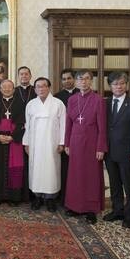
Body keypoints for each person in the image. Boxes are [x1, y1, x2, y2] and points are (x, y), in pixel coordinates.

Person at [64, 70, 107, 224]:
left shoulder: (98, 100)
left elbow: (102, 127)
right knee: (75, 175)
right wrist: (67, 143)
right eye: (80, 79)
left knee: (91, 176)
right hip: (75, 142)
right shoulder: (72, 99)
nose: (83, 82)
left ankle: (90, 209)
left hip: (91, 142)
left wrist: (101, 147)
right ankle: (75, 206)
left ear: (91, 81)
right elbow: (68, 123)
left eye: (87, 79)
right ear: (76, 82)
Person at [103, 72, 130, 228]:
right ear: (110, 86)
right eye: (115, 84)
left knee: (129, 185)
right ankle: (117, 210)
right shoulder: (105, 103)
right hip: (110, 151)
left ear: (126, 85)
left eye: (121, 83)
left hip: (127, 152)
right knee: (114, 183)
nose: (118, 87)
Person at [23, 77, 66, 212]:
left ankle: (50, 199)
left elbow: (63, 124)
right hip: (35, 144)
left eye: (43, 86)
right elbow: (27, 126)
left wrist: (62, 142)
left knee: (51, 170)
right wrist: (27, 143)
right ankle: (37, 198)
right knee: (36, 171)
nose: (41, 89)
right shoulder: (31, 104)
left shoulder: (58, 104)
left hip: (52, 144)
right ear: (35, 89)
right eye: (38, 87)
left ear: (49, 87)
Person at [0, 79, 27, 205]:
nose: (7, 89)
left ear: (14, 89)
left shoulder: (20, 104)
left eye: (9, 87)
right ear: (0, 89)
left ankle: (13, 198)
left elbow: (23, 124)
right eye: (4, 87)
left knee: (14, 170)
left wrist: (13, 137)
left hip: (14, 142)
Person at [54, 68, 79, 203]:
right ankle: (63, 197)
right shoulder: (57, 97)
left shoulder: (81, 94)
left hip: (79, 136)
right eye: (64, 79)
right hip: (63, 136)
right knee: (63, 168)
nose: (66, 81)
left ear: (74, 79)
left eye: (69, 78)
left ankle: (76, 196)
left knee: (77, 169)